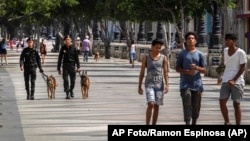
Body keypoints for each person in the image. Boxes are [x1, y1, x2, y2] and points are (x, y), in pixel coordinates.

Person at [175, 31, 207, 125]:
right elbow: (177, 68)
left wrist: (196, 68)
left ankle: (194, 122)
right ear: (186, 41)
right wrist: (187, 71)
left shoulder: (200, 54)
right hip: (185, 84)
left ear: (195, 41)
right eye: (188, 39)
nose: (190, 40)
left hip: (197, 84)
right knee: (187, 103)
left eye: (192, 38)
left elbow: (204, 70)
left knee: (196, 106)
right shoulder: (182, 54)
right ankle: (187, 122)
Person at [138, 39, 169, 125]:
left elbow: (166, 72)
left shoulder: (163, 58)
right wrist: (139, 86)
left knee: (156, 105)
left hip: (159, 84)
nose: (158, 50)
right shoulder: (146, 58)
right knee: (151, 103)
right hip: (149, 84)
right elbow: (142, 72)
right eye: (156, 48)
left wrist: (167, 85)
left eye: (159, 48)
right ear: (152, 47)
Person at [219, 33, 247, 125]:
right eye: (226, 40)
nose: (227, 42)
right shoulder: (225, 50)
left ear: (234, 41)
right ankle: (227, 122)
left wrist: (234, 80)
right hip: (226, 79)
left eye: (229, 40)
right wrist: (221, 76)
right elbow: (224, 64)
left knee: (236, 104)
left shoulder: (241, 53)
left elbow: (242, 68)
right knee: (222, 101)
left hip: (237, 81)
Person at [57, 35, 80, 99]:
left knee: (73, 80)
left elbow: (76, 58)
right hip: (65, 66)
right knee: (65, 80)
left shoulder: (73, 48)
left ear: (70, 40)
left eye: (68, 39)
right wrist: (58, 68)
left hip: (72, 66)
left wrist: (78, 67)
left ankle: (71, 90)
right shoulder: (63, 48)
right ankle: (67, 93)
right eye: (66, 39)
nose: (67, 41)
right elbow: (60, 59)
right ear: (64, 41)